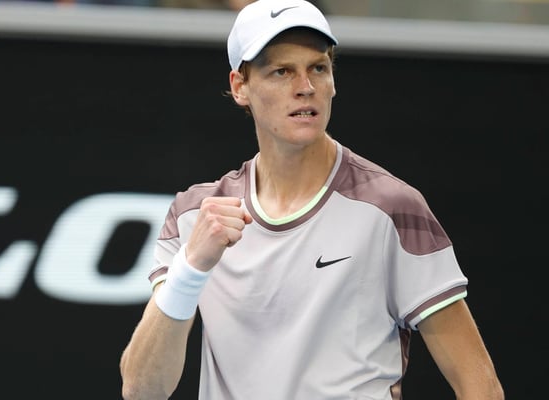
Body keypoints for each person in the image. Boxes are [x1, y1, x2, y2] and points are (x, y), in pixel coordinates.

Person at [119, 0, 505, 399]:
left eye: (318, 68)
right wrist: (190, 269)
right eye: (282, 71)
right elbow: (142, 389)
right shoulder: (193, 216)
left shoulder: (391, 208)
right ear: (239, 87)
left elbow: (480, 387)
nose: (305, 86)